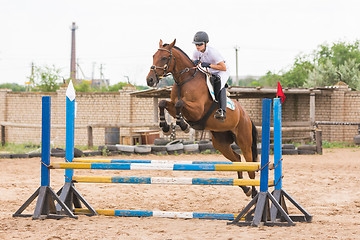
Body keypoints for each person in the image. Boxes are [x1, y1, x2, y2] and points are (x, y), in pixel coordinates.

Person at [192, 31, 230, 121]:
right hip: (209, 70)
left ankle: (222, 111)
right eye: (196, 44)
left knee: (219, 83)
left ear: (205, 43)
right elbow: (194, 65)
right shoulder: (196, 52)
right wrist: (194, 63)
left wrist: (209, 65)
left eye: (200, 44)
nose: (197, 46)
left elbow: (223, 68)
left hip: (221, 71)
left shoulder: (213, 52)